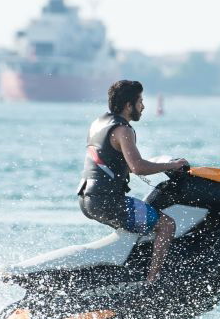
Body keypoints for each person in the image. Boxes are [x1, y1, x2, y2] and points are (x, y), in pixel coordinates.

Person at [77, 80, 188, 283]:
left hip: (87, 199)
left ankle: (128, 271)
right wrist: (172, 166)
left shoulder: (98, 124)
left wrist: (157, 163)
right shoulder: (123, 130)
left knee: (141, 223)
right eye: (140, 101)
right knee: (166, 225)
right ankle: (153, 281)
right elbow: (137, 167)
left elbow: (116, 162)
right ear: (129, 105)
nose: (143, 106)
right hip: (108, 201)